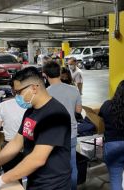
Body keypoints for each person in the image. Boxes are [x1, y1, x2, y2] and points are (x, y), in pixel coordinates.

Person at [0, 67, 72, 190]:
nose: (16, 97)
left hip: (54, 184)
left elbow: (37, 159)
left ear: (34, 88)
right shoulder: (30, 112)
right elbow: (16, 143)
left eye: (18, 92)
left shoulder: (55, 114)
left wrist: (0, 180)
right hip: (35, 179)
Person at [43, 61, 82, 190]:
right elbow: (78, 111)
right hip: (71, 134)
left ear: (45, 75)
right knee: (72, 166)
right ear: (60, 73)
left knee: (53, 167)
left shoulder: (44, 93)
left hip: (51, 136)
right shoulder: (73, 90)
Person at [0, 83, 26, 173]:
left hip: (10, 147)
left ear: (12, 90)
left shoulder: (3, 105)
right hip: (29, 147)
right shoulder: (33, 105)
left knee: (12, 182)